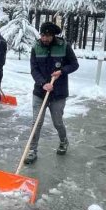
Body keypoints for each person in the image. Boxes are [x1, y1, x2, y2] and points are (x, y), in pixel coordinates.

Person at [25, 21, 79, 164]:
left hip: (58, 93)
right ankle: (32, 150)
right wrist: (43, 84)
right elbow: (34, 69)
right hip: (39, 92)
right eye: (43, 35)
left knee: (57, 122)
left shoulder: (64, 46)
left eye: (48, 36)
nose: (44, 39)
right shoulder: (36, 47)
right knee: (36, 122)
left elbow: (74, 64)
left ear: (53, 35)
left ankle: (63, 141)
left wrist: (62, 71)